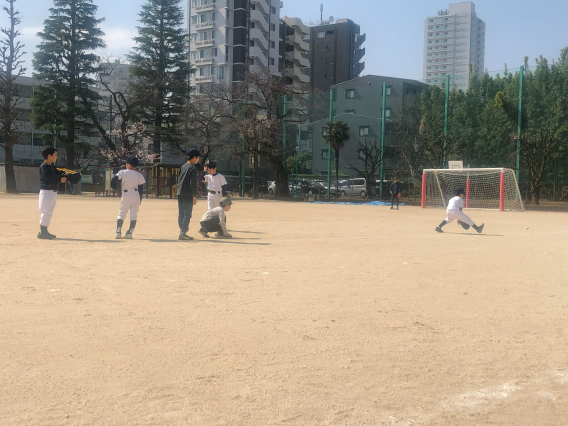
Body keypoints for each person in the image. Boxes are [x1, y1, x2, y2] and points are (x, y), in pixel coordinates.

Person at [111, 156, 145, 239]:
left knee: (122, 213)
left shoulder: (123, 172)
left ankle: (118, 232)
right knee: (133, 214)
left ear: (128, 164)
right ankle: (130, 232)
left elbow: (114, 179)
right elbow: (141, 188)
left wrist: (113, 187)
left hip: (126, 194)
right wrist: (140, 198)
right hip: (136, 194)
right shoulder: (139, 175)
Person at [37, 146, 66, 239]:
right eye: (55, 155)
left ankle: (44, 230)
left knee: (48, 211)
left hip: (51, 191)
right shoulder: (44, 166)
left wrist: (65, 175)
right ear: (49, 156)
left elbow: (57, 173)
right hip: (46, 191)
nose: (56, 157)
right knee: (46, 211)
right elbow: (48, 178)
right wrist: (60, 179)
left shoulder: (51, 166)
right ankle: (42, 231)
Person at [177, 148, 201, 240]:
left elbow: (178, 179)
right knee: (187, 214)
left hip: (180, 192)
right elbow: (193, 183)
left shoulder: (183, 166)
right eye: (198, 157)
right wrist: (194, 196)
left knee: (181, 213)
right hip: (188, 194)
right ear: (194, 157)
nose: (198, 159)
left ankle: (182, 230)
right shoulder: (193, 168)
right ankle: (183, 233)